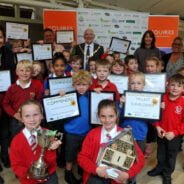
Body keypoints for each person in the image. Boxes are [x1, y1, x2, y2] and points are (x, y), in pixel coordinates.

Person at [78, 99, 144, 184]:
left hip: (118, 178)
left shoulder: (125, 135)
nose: (107, 120)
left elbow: (140, 160)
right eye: (103, 116)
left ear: (117, 115)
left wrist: (127, 174)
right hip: (96, 174)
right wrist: (96, 170)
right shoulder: (92, 134)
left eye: (111, 116)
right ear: (98, 116)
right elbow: (82, 157)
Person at [10, 100, 61, 184]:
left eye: (35, 115)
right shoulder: (16, 141)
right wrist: (30, 175)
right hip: (28, 179)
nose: (32, 119)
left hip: (49, 176)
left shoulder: (48, 133)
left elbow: (52, 161)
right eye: (27, 116)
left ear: (41, 116)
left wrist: (52, 149)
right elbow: (16, 166)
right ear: (21, 118)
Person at [147, 74, 184, 184]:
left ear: (183, 88)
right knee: (160, 152)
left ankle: (167, 173)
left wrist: (175, 133)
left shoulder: (183, 102)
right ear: (167, 85)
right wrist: (157, 127)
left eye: (179, 86)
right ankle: (159, 168)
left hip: (175, 136)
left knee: (171, 155)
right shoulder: (161, 98)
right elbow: (153, 115)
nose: (175, 88)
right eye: (172, 85)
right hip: (161, 133)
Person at [64, 70, 92, 184]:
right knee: (70, 154)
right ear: (74, 85)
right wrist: (60, 96)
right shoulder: (69, 97)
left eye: (84, 85)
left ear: (89, 85)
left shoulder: (92, 96)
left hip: (87, 132)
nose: (81, 87)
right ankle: (68, 172)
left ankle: (82, 169)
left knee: (83, 153)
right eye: (78, 84)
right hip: (72, 132)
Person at [3, 60, 43, 138]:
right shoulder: (12, 88)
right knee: (17, 138)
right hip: (17, 120)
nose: (24, 73)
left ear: (31, 72)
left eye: (27, 71)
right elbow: (5, 103)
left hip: (32, 119)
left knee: (35, 139)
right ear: (17, 72)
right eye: (21, 70)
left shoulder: (36, 86)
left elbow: (39, 100)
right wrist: (14, 114)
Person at [0, 25, 15, 169]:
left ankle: (5, 155)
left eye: (0, 37)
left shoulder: (9, 53)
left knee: (5, 130)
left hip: (5, 96)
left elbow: (12, 74)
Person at [121, 72, 148, 152]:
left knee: (139, 157)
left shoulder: (147, 99)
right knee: (125, 155)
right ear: (129, 85)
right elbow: (118, 116)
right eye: (132, 83)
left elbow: (152, 120)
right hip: (125, 132)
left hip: (141, 133)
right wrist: (121, 105)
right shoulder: (124, 97)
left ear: (143, 85)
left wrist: (157, 110)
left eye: (139, 83)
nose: (135, 86)